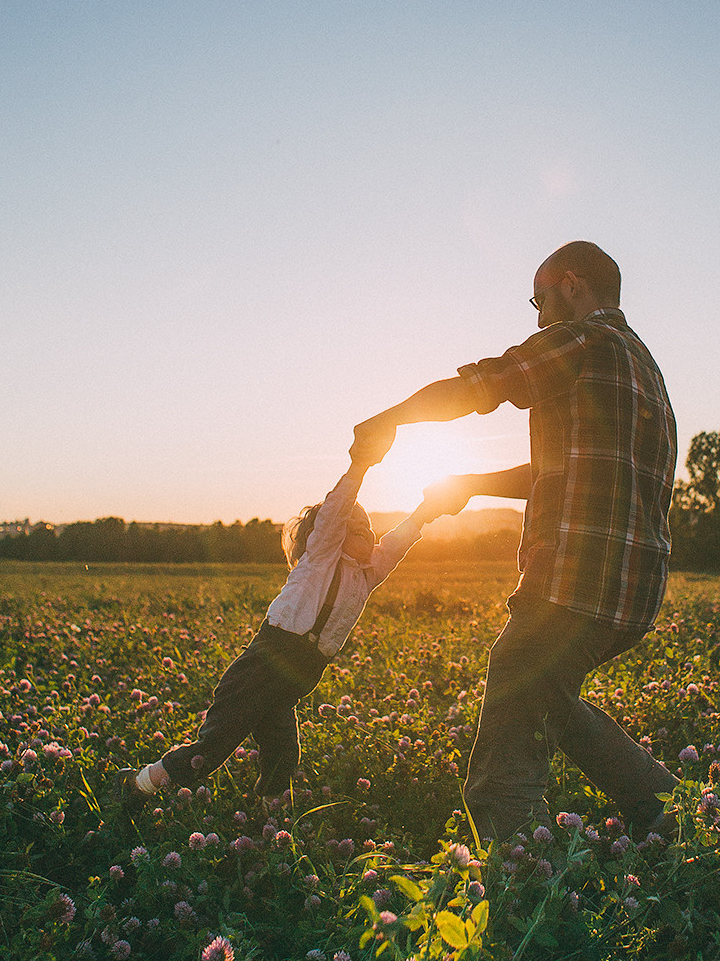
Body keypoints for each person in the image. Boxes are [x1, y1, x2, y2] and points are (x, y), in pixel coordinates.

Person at [354, 240, 680, 841]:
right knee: (549, 697)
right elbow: (578, 473)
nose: (537, 317)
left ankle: (514, 877)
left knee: (514, 704)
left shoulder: (586, 340)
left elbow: (486, 384)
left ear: (573, 285)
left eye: (540, 299)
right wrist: (473, 483)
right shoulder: (644, 366)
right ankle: (674, 816)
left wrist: (389, 419)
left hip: (576, 577)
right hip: (633, 589)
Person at [115, 440, 444, 810]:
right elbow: (335, 512)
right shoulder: (320, 557)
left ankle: (272, 820)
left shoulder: (369, 573)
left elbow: (398, 542)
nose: (366, 534)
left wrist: (425, 512)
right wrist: (360, 468)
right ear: (332, 535)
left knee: (282, 747)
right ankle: (139, 784)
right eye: (355, 528)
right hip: (268, 659)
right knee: (216, 744)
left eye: (369, 528)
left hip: (304, 670)